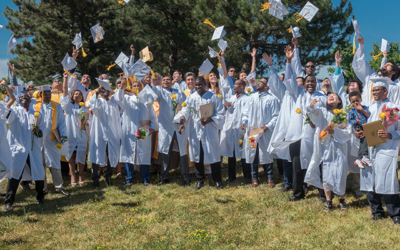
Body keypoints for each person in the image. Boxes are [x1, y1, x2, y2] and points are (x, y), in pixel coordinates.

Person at [272, 45, 327, 201]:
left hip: (315, 135)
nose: (310, 83)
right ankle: (298, 193)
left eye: (312, 81)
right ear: (304, 84)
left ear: (316, 83)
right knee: (298, 167)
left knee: (318, 164)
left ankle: (322, 193)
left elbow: (323, 113)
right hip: (298, 135)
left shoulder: (321, 97)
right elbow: (289, 80)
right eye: (307, 81)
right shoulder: (299, 94)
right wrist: (288, 61)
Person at [356, 77, 400, 224]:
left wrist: (390, 134)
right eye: (373, 90)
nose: (374, 93)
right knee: (370, 181)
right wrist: (361, 133)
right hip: (370, 149)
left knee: (388, 180)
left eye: (377, 90)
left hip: (387, 149)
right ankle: (376, 211)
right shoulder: (370, 107)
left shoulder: (394, 108)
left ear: (385, 91)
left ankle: (395, 213)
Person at [176, 76, 225, 190]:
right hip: (196, 131)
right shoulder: (191, 97)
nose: (198, 87)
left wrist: (210, 119)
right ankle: (199, 180)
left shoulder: (212, 97)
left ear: (205, 84)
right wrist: (182, 122)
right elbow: (185, 111)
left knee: (214, 155)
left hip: (210, 131)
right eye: (196, 85)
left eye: (200, 85)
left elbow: (221, 112)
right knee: (198, 156)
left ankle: (217, 180)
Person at [305, 94, 352, 211]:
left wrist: (335, 132)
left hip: (339, 146)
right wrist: (311, 105)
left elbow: (348, 132)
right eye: (329, 95)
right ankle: (328, 200)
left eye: (334, 96)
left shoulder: (344, 114)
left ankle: (342, 199)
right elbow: (313, 113)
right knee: (326, 172)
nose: (331, 97)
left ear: (339, 100)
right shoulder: (322, 111)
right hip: (325, 146)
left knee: (341, 172)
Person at [4, 88, 46, 210]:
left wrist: (38, 130)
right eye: (21, 97)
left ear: (30, 100)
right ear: (18, 100)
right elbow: (7, 117)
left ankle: (40, 197)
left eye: (26, 97)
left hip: (33, 149)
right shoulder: (14, 111)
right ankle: (9, 201)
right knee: (14, 174)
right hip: (18, 148)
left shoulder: (37, 114)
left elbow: (41, 132)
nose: (24, 98)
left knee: (39, 172)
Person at [331, 50, 364, 198]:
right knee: (342, 160)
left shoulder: (363, 101)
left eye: (354, 83)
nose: (351, 83)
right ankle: (340, 186)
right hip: (343, 133)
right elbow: (337, 83)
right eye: (349, 83)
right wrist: (337, 64)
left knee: (357, 159)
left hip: (357, 133)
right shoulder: (343, 98)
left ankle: (357, 187)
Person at [148, 76, 191, 186]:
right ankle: (164, 177)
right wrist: (148, 82)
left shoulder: (179, 92)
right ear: (161, 83)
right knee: (165, 151)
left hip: (178, 126)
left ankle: (186, 176)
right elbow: (152, 89)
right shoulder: (160, 92)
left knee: (183, 152)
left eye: (168, 80)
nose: (166, 81)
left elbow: (184, 106)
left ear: (171, 82)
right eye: (164, 80)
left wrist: (181, 120)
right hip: (166, 127)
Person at [114, 79, 157, 186]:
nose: (136, 87)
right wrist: (121, 88)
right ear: (131, 88)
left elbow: (153, 115)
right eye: (134, 85)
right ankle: (128, 178)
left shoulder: (147, 99)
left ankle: (145, 178)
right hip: (129, 131)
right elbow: (118, 99)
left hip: (143, 130)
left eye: (138, 85)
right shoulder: (127, 98)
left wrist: (152, 128)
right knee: (129, 154)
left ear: (142, 88)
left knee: (144, 153)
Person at [263, 52, 295, 192]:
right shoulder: (286, 94)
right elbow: (276, 80)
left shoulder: (304, 95)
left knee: (299, 160)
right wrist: (271, 66)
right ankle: (288, 183)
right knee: (287, 159)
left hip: (300, 131)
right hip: (287, 131)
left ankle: (302, 184)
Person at [242, 76, 279, 188]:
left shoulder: (272, 99)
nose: (258, 83)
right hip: (253, 131)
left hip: (265, 131)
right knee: (253, 153)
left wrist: (268, 126)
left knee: (267, 154)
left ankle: (269, 177)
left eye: (261, 82)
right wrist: (244, 121)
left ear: (267, 86)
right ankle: (254, 177)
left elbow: (276, 116)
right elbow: (246, 112)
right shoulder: (252, 97)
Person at [33, 85, 69, 196]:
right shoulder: (35, 106)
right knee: (40, 163)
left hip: (52, 138)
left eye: (49, 93)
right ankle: (42, 187)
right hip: (38, 139)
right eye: (45, 93)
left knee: (55, 162)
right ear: (40, 94)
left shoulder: (57, 107)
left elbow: (62, 123)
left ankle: (59, 186)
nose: (48, 95)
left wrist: (63, 135)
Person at [88, 84, 121, 187]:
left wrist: (118, 135)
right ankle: (95, 179)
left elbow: (117, 119)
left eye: (107, 89)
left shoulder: (114, 103)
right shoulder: (98, 101)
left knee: (111, 155)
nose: (105, 91)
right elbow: (92, 104)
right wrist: (97, 93)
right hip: (99, 133)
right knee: (96, 156)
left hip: (111, 133)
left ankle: (108, 177)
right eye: (103, 89)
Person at [352, 36, 400, 106]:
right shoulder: (371, 77)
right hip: (365, 113)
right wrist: (361, 45)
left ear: (393, 72)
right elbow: (361, 65)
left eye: (388, 65)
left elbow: (397, 105)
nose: (385, 65)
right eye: (385, 64)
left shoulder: (395, 87)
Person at [60, 72, 89, 187]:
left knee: (81, 154)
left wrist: (85, 121)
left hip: (81, 134)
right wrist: (66, 79)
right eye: (76, 94)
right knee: (71, 155)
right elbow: (65, 92)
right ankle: (73, 176)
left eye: (80, 94)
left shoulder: (84, 108)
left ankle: (81, 175)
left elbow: (88, 120)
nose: (78, 95)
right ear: (72, 96)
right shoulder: (68, 106)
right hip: (71, 133)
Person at [220, 79, 250, 184]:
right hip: (231, 129)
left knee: (243, 152)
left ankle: (247, 176)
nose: (234, 86)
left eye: (236, 84)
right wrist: (225, 105)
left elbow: (246, 112)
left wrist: (244, 121)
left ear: (242, 86)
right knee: (231, 153)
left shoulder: (247, 99)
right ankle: (231, 176)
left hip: (240, 129)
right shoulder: (232, 98)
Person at [348, 91, 371, 169]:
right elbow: (350, 121)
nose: (355, 103)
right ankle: (364, 156)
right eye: (353, 101)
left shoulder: (365, 108)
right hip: (359, 128)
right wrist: (355, 121)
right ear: (350, 102)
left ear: (361, 100)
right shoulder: (351, 111)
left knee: (364, 142)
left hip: (367, 126)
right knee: (363, 141)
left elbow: (368, 115)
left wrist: (361, 109)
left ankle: (359, 158)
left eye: (357, 100)